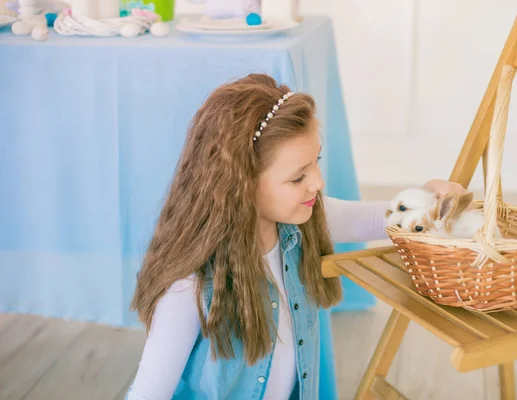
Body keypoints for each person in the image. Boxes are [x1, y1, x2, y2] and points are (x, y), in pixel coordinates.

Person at [125, 73, 465, 400]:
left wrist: (427, 198)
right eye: (297, 177)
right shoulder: (190, 289)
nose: (316, 182)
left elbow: (378, 219)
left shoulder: (303, 222)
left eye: (315, 162)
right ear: (239, 185)